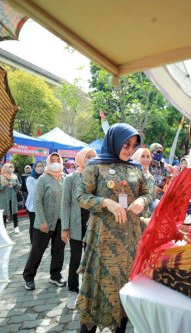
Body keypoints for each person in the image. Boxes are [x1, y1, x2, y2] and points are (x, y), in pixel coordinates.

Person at [76, 123, 152, 333]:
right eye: (126, 144)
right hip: (103, 240)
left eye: (134, 145)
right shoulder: (95, 167)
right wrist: (105, 203)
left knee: (125, 289)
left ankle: (120, 327)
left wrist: (143, 202)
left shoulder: (135, 169)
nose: (129, 149)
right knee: (98, 288)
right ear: (114, 141)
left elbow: (149, 192)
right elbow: (81, 196)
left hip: (130, 240)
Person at [23, 153, 67, 290]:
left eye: (57, 160)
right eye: (52, 160)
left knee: (59, 249)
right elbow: (37, 200)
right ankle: (29, 277)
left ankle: (55, 276)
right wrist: (42, 221)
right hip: (44, 222)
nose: (55, 162)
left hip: (61, 222)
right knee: (37, 250)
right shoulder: (43, 179)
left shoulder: (65, 178)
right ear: (48, 162)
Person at [61, 147, 98, 310]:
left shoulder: (97, 176)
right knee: (75, 259)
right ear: (81, 158)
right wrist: (65, 227)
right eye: (87, 156)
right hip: (76, 225)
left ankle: (88, 291)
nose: (90, 159)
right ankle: (72, 291)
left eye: (93, 156)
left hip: (94, 225)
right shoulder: (71, 178)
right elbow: (66, 203)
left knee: (91, 259)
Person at [0, 163, 21, 234]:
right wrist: (4, 186)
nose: (11, 169)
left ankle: (16, 227)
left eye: (12, 167)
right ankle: (4, 228)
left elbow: (18, 187)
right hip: (4, 198)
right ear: (6, 168)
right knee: (4, 213)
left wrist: (15, 184)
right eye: (10, 167)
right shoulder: (0, 177)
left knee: (14, 213)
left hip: (13, 198)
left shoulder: (14, 176)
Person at [132, 147, 156, 217]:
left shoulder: (150, 178)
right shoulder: (128, 175)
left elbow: (152, 198)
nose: (146, 159)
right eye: (142, 156)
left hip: (144, 218)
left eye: (148, 156)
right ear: (136, 157)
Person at [25, 161, 44, 244]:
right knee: (33, 224)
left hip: (43, 205)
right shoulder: (30, 178)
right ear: (34, 167)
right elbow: (33, 193)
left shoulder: (45, 177)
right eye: (38, 166)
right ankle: (33, 242)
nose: (40, 168)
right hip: (32, 206)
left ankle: (41, 242)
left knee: (42, 223)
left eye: (41, 166)